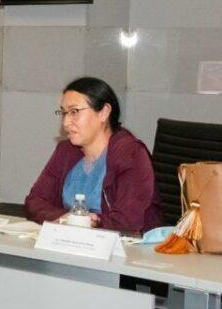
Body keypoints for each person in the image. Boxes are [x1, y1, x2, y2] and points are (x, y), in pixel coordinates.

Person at [24, 76, 162, 233]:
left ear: (104, 112)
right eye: (63, 113)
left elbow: (127, 221)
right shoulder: (66, 151)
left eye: (74, 112)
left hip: (128, 243)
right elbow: (34, 202)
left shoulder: (130, 153)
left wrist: (89, 222)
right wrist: (66, 218)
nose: (66, 123)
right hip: (72, 239)